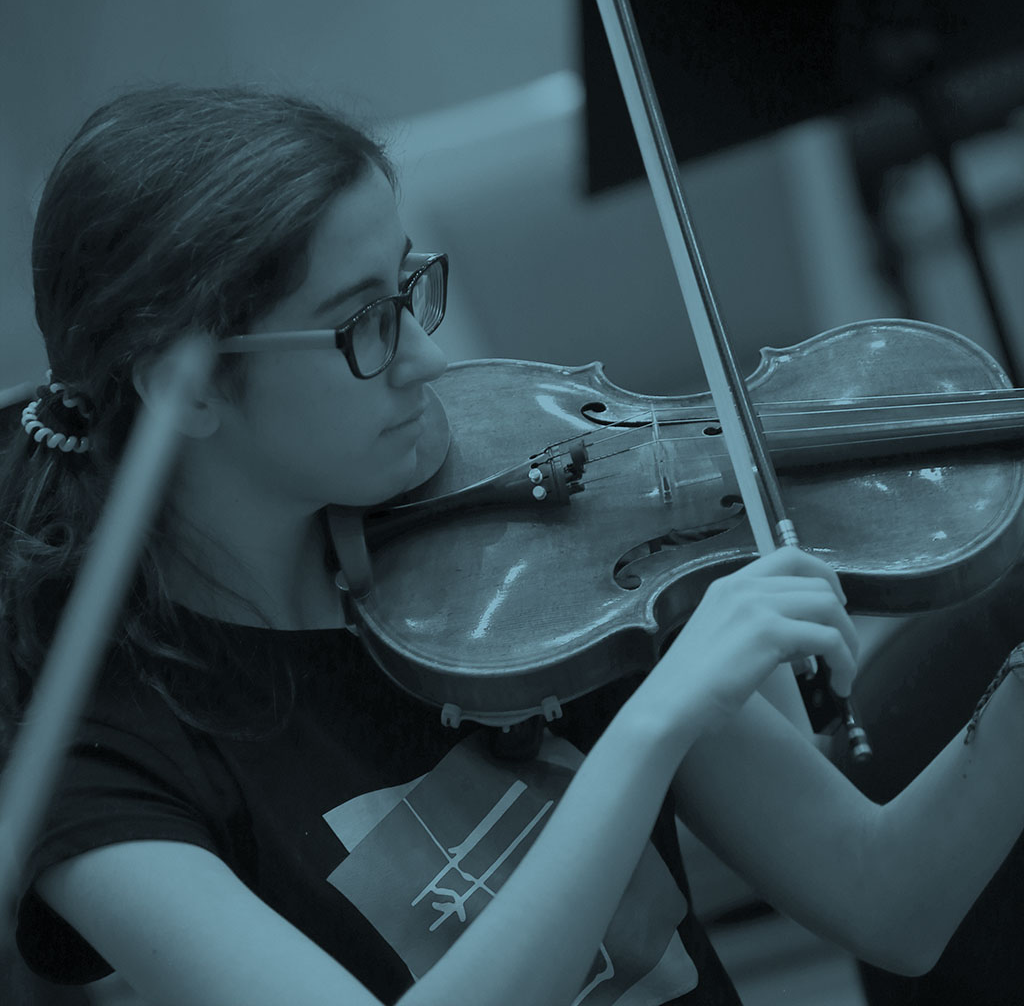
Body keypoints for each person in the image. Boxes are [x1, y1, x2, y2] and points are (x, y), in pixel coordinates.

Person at [2, 85, 1024, 1006]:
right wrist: (645, 732)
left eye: (409, 291)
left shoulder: (530, 545)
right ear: (181, 384)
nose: (429, 358)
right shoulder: (97, 766)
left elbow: (889, 899)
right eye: (362, 326)